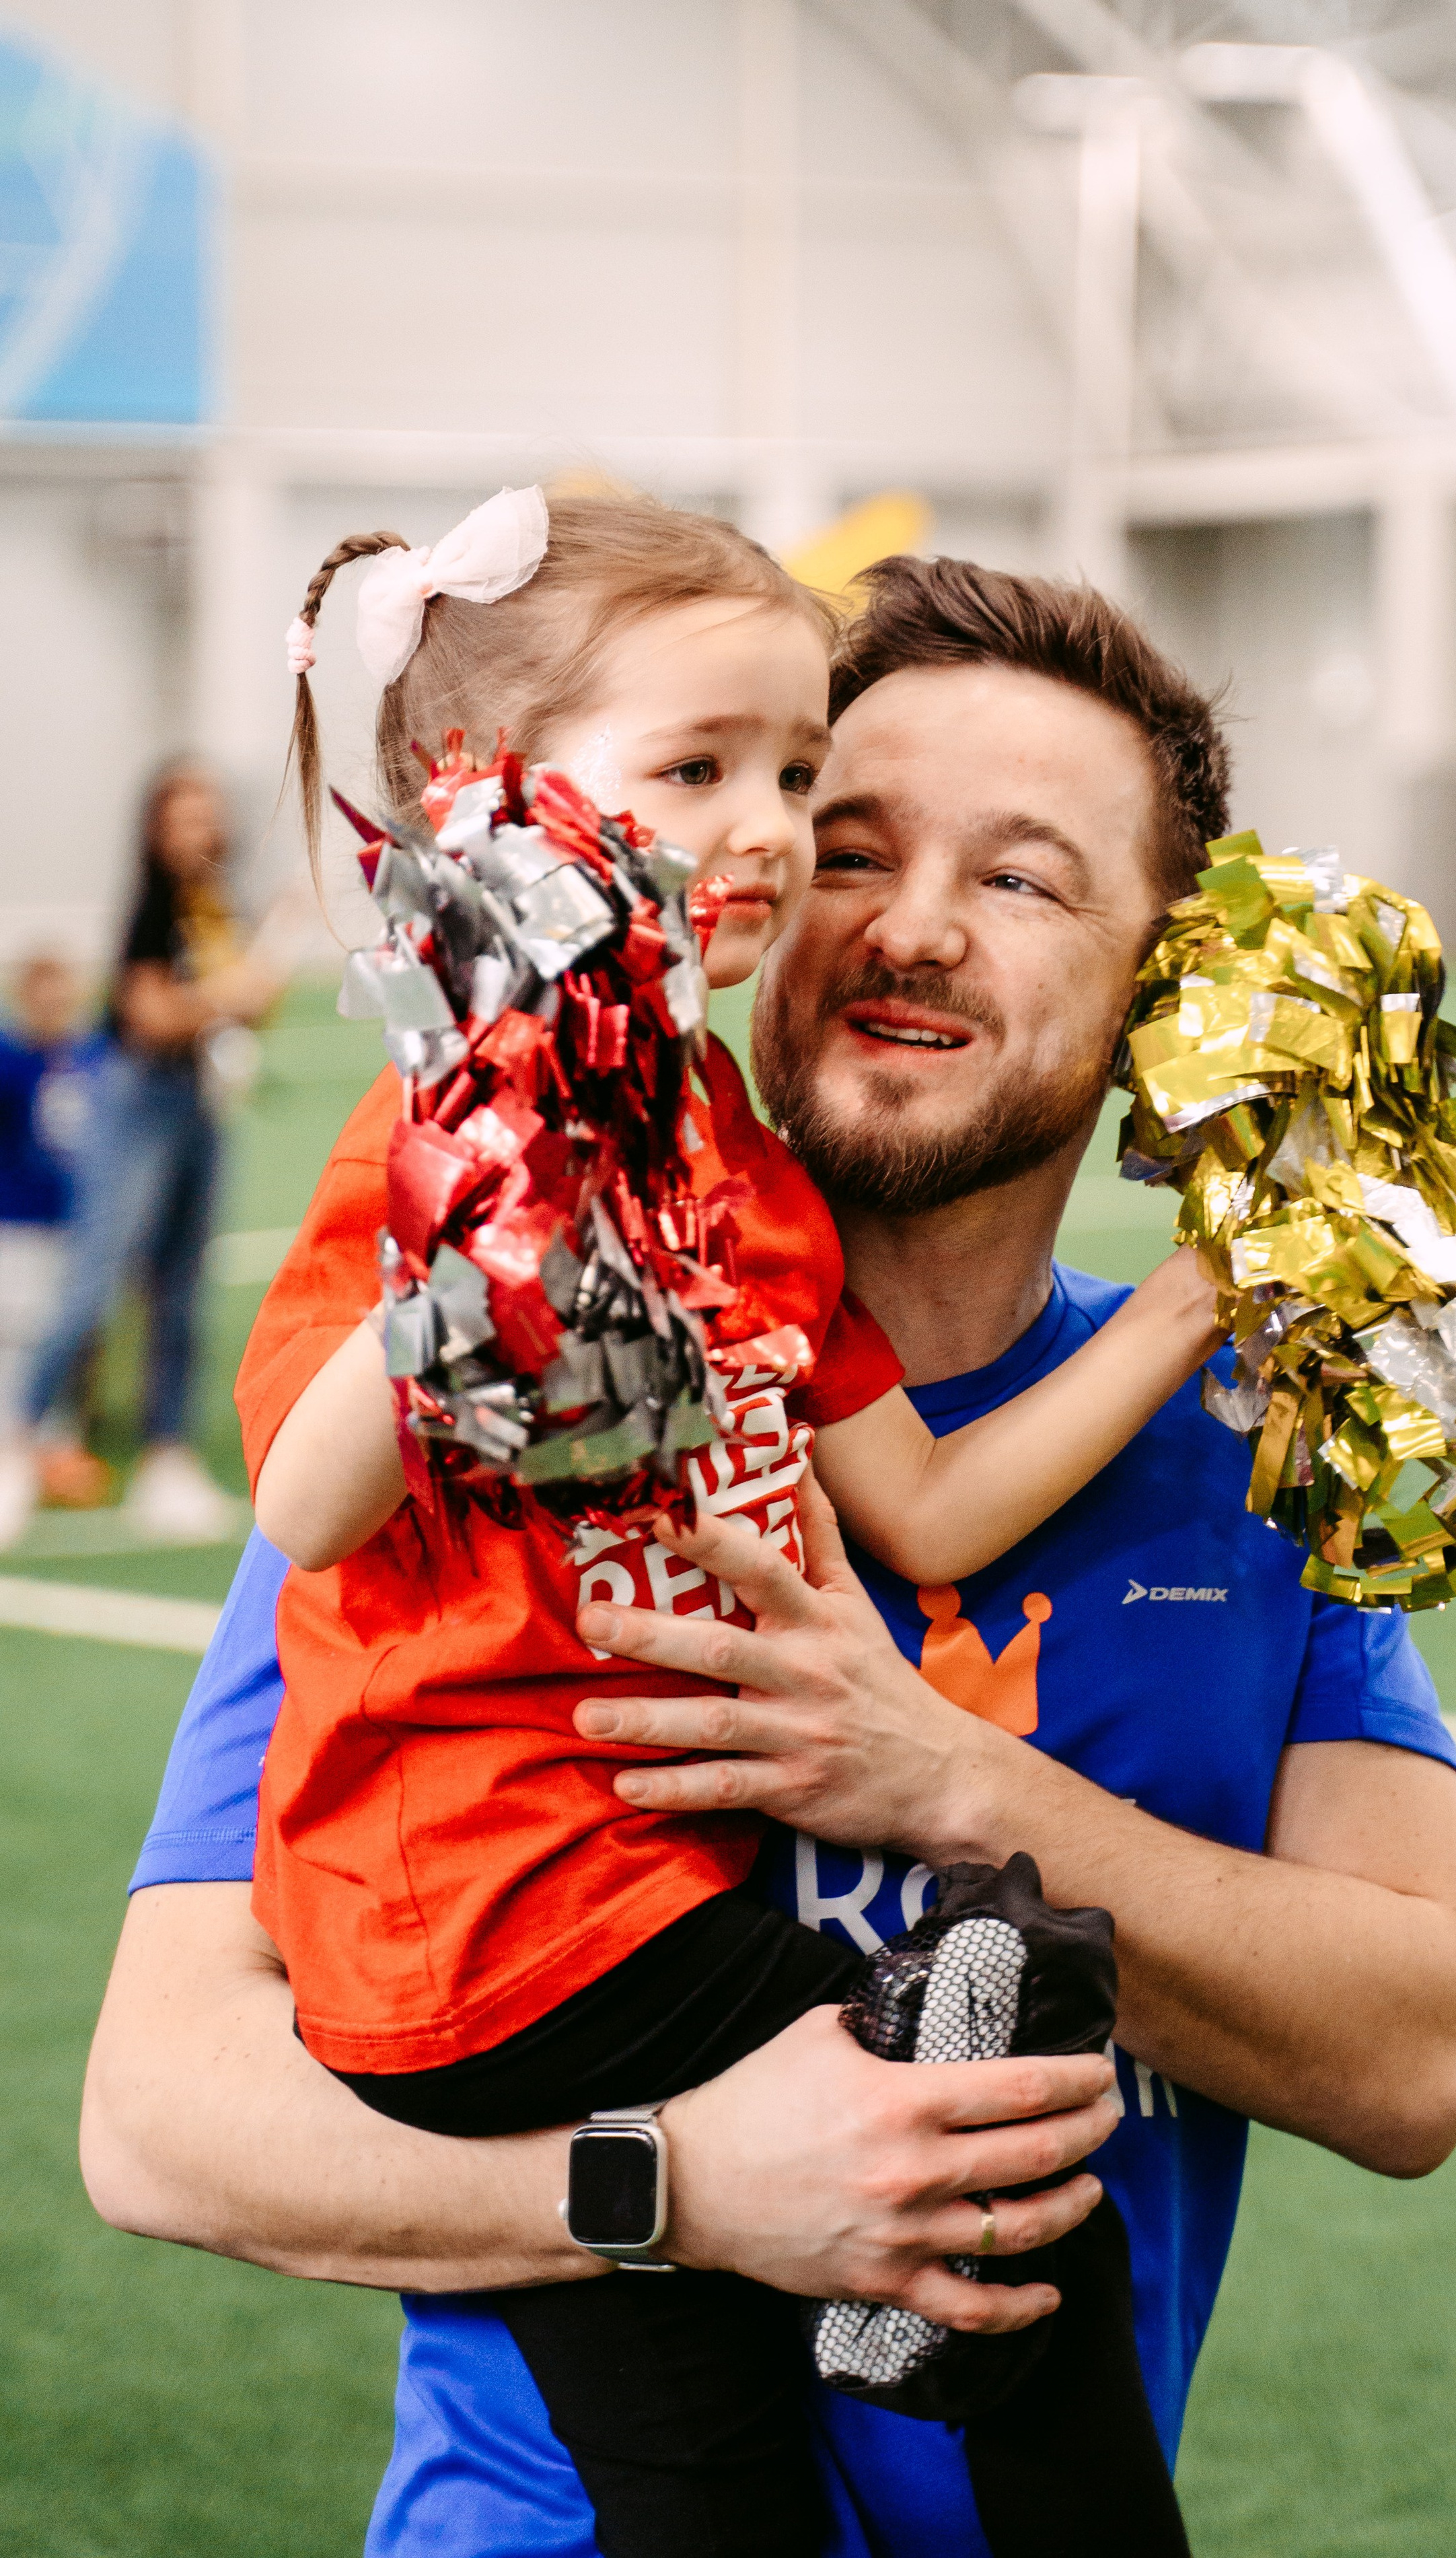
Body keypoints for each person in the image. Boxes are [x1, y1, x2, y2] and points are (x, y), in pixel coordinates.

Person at [83, 553, 1456, 2558]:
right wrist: (673, 2184)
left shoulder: (1251, 1455)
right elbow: (153, 2120)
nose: (908, 924)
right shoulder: (516, 1382)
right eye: (845, 840)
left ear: (1157, 996)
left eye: (1020, 879)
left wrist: (945, 1788)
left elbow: (1415, 2058)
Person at [246, 487, 1220, 2555]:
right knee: (998, 2170)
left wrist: (1192, 1306)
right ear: (492, 805)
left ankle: (881, 2297)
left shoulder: (748, 1183)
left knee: (705, 2471)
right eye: (705, 770)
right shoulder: (446, 1123)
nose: (767, 824)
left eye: (796, 767)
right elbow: (308, 1502)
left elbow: (931, 1507)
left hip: (620, 1917)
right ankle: (911, 2297)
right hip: (495, 1916)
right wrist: (496, 1203)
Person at [21, 762, 298, 1544]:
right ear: (155, 829)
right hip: (136, 1101)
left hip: (195, 1104)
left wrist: (264, 961)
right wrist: (227, 995)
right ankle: (20, 1437)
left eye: (207, 815)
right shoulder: (151, 907)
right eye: (183, 817)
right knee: (97, 1278)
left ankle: (164, 1454)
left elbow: (248, 1006)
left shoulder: (214, 906)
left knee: (181, 1286)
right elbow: (150, 1016)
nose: (200, 830)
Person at [0, 952, 108, 1540]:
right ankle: (16, 1440)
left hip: (75, 1220)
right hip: (15, 1218)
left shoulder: (89, 1055)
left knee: (69, 1331)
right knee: (16, 1333)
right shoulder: (8, 1058)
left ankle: (57, 1442)